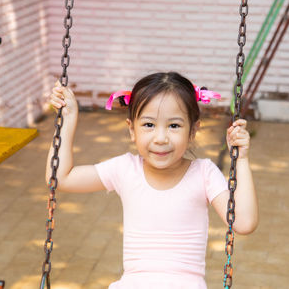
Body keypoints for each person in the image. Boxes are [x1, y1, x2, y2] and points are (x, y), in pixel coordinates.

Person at [46, 72, 258, 289]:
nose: (160, 138)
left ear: (193, 131)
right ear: (132, 129)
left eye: (174, 126)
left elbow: (243, 222)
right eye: (149, 125)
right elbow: (60, 178)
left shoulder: (204, 174)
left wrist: (241, 159)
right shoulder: (125, 169)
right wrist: (67, 120)